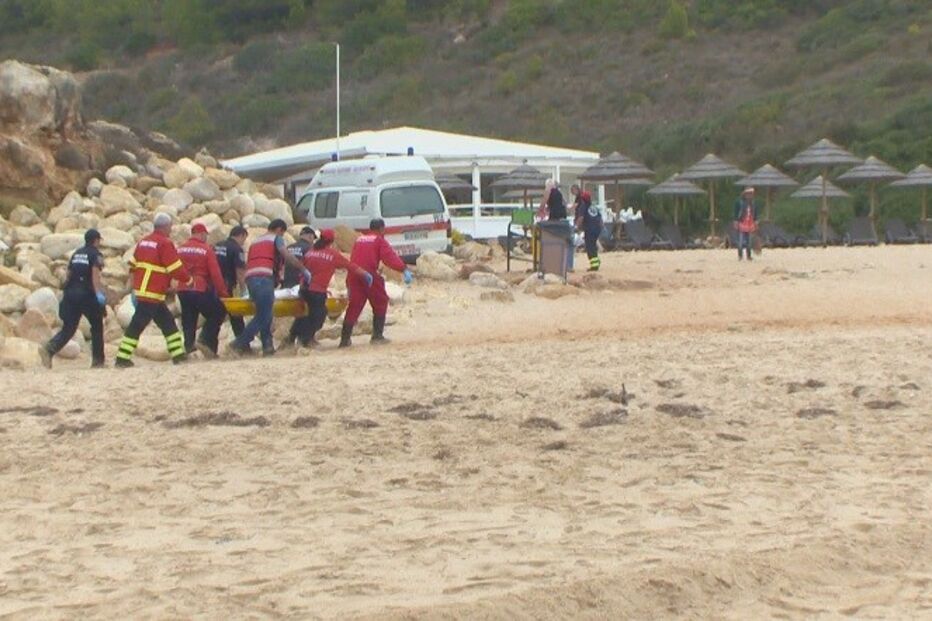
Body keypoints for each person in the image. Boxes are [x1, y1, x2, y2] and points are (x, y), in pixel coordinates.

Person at [115, 213, 193, 367]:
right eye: (170, 227)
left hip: (145, 291)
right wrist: (188, 280)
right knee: (137, 325)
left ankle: (178, 355)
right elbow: (175, 268)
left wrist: (132, 287)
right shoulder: (165, 243)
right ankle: (122, 358)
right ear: (165, 227)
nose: (171, 230)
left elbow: (132, 266)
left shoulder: (143, 242)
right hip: (153, 292)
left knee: (167, 323)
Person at [230, 219, 310, 356]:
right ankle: (239, 343)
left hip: (251, 278)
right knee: (264, 315)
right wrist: (303, 269)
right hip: (263, 277)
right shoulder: (276, 239)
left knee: (264, 310)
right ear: (279, 230)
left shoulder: (256, 241)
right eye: (283, 233)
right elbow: (286, 255)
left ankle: (268, 346)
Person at [39, 228, 107, 369]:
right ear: (95, 240)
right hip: (87, 295)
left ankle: (50, 349)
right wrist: (99, 295)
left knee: (69, 327)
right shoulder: (96, 254)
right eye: (99, 240)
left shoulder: (77, 253)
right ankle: (98, 361)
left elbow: (69, 274)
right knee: (97, 326)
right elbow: (95, 276)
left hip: (70, 294)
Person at [340, 218, 412, 348]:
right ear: (381, 229)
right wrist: (403, 269)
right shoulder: (379, 240)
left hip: (354, 274)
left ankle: (344, 340)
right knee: (381, 301)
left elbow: (354, 258)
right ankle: (377, 336)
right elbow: (389, 258)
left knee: (354, 305)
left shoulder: (359, 239)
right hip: (369, 275)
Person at [299, 229, 371, 347]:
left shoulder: (310, 252)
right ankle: (305, 340)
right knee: (319, 316)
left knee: (308, 315)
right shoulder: (332, 254)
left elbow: (302, 269)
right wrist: (364, 274)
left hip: (304, 289)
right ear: (331, 241)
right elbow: (350, 266)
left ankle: (303, 339)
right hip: (317, 291)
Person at [177, 223, 229, 358]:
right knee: (217, 313)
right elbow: (215, 274)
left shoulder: (180, 249)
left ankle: (189, 349)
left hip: (183, 288)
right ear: (201, 234)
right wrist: (223, 293)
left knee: (188, 320)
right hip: (199, 287)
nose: (206, 237)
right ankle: (205, 339)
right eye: (205, 235)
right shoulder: (206, 250)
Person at [281, 226, 318, 349]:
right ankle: (305, 338)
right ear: (310, 236)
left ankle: (292, 338)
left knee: (299, 313)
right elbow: (312, 266)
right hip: (302, 284)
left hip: (287, 285)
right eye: (313, 238)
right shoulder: (309, 248)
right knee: (309, 311)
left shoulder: (289, 247)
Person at [214, 225, 247, 337]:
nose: (243, 243)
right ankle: (242, 345)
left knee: (216, 314)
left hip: (213, 284)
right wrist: (244, 289)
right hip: (227, 285)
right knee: (235, 314)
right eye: (244, 239)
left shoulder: (218, 245)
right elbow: (240, 271)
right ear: (241, 235)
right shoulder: (237, 249)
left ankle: (209, 343)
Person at [572, 187, 603, 272]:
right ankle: (596, 261)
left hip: (590, 229)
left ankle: (594, 266)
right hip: (597, 229)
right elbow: (600, 219)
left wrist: (576, 227)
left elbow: (581, 218)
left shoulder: (583, 206)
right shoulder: (594, 207)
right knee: (593, 246)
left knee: (590, 247)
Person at [733, 187, 760, 261]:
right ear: (745, 195)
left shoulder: (754, 203)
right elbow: (736, 213)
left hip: (750, 224)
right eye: (748, 194)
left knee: (749, 242)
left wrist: (756, 222)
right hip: (742, 223)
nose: (750, 196)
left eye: (751, 194)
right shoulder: (739, 202)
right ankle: (740, 256)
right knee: (741, 241)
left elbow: (756, 214)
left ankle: (748, 256)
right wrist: (735, 221)